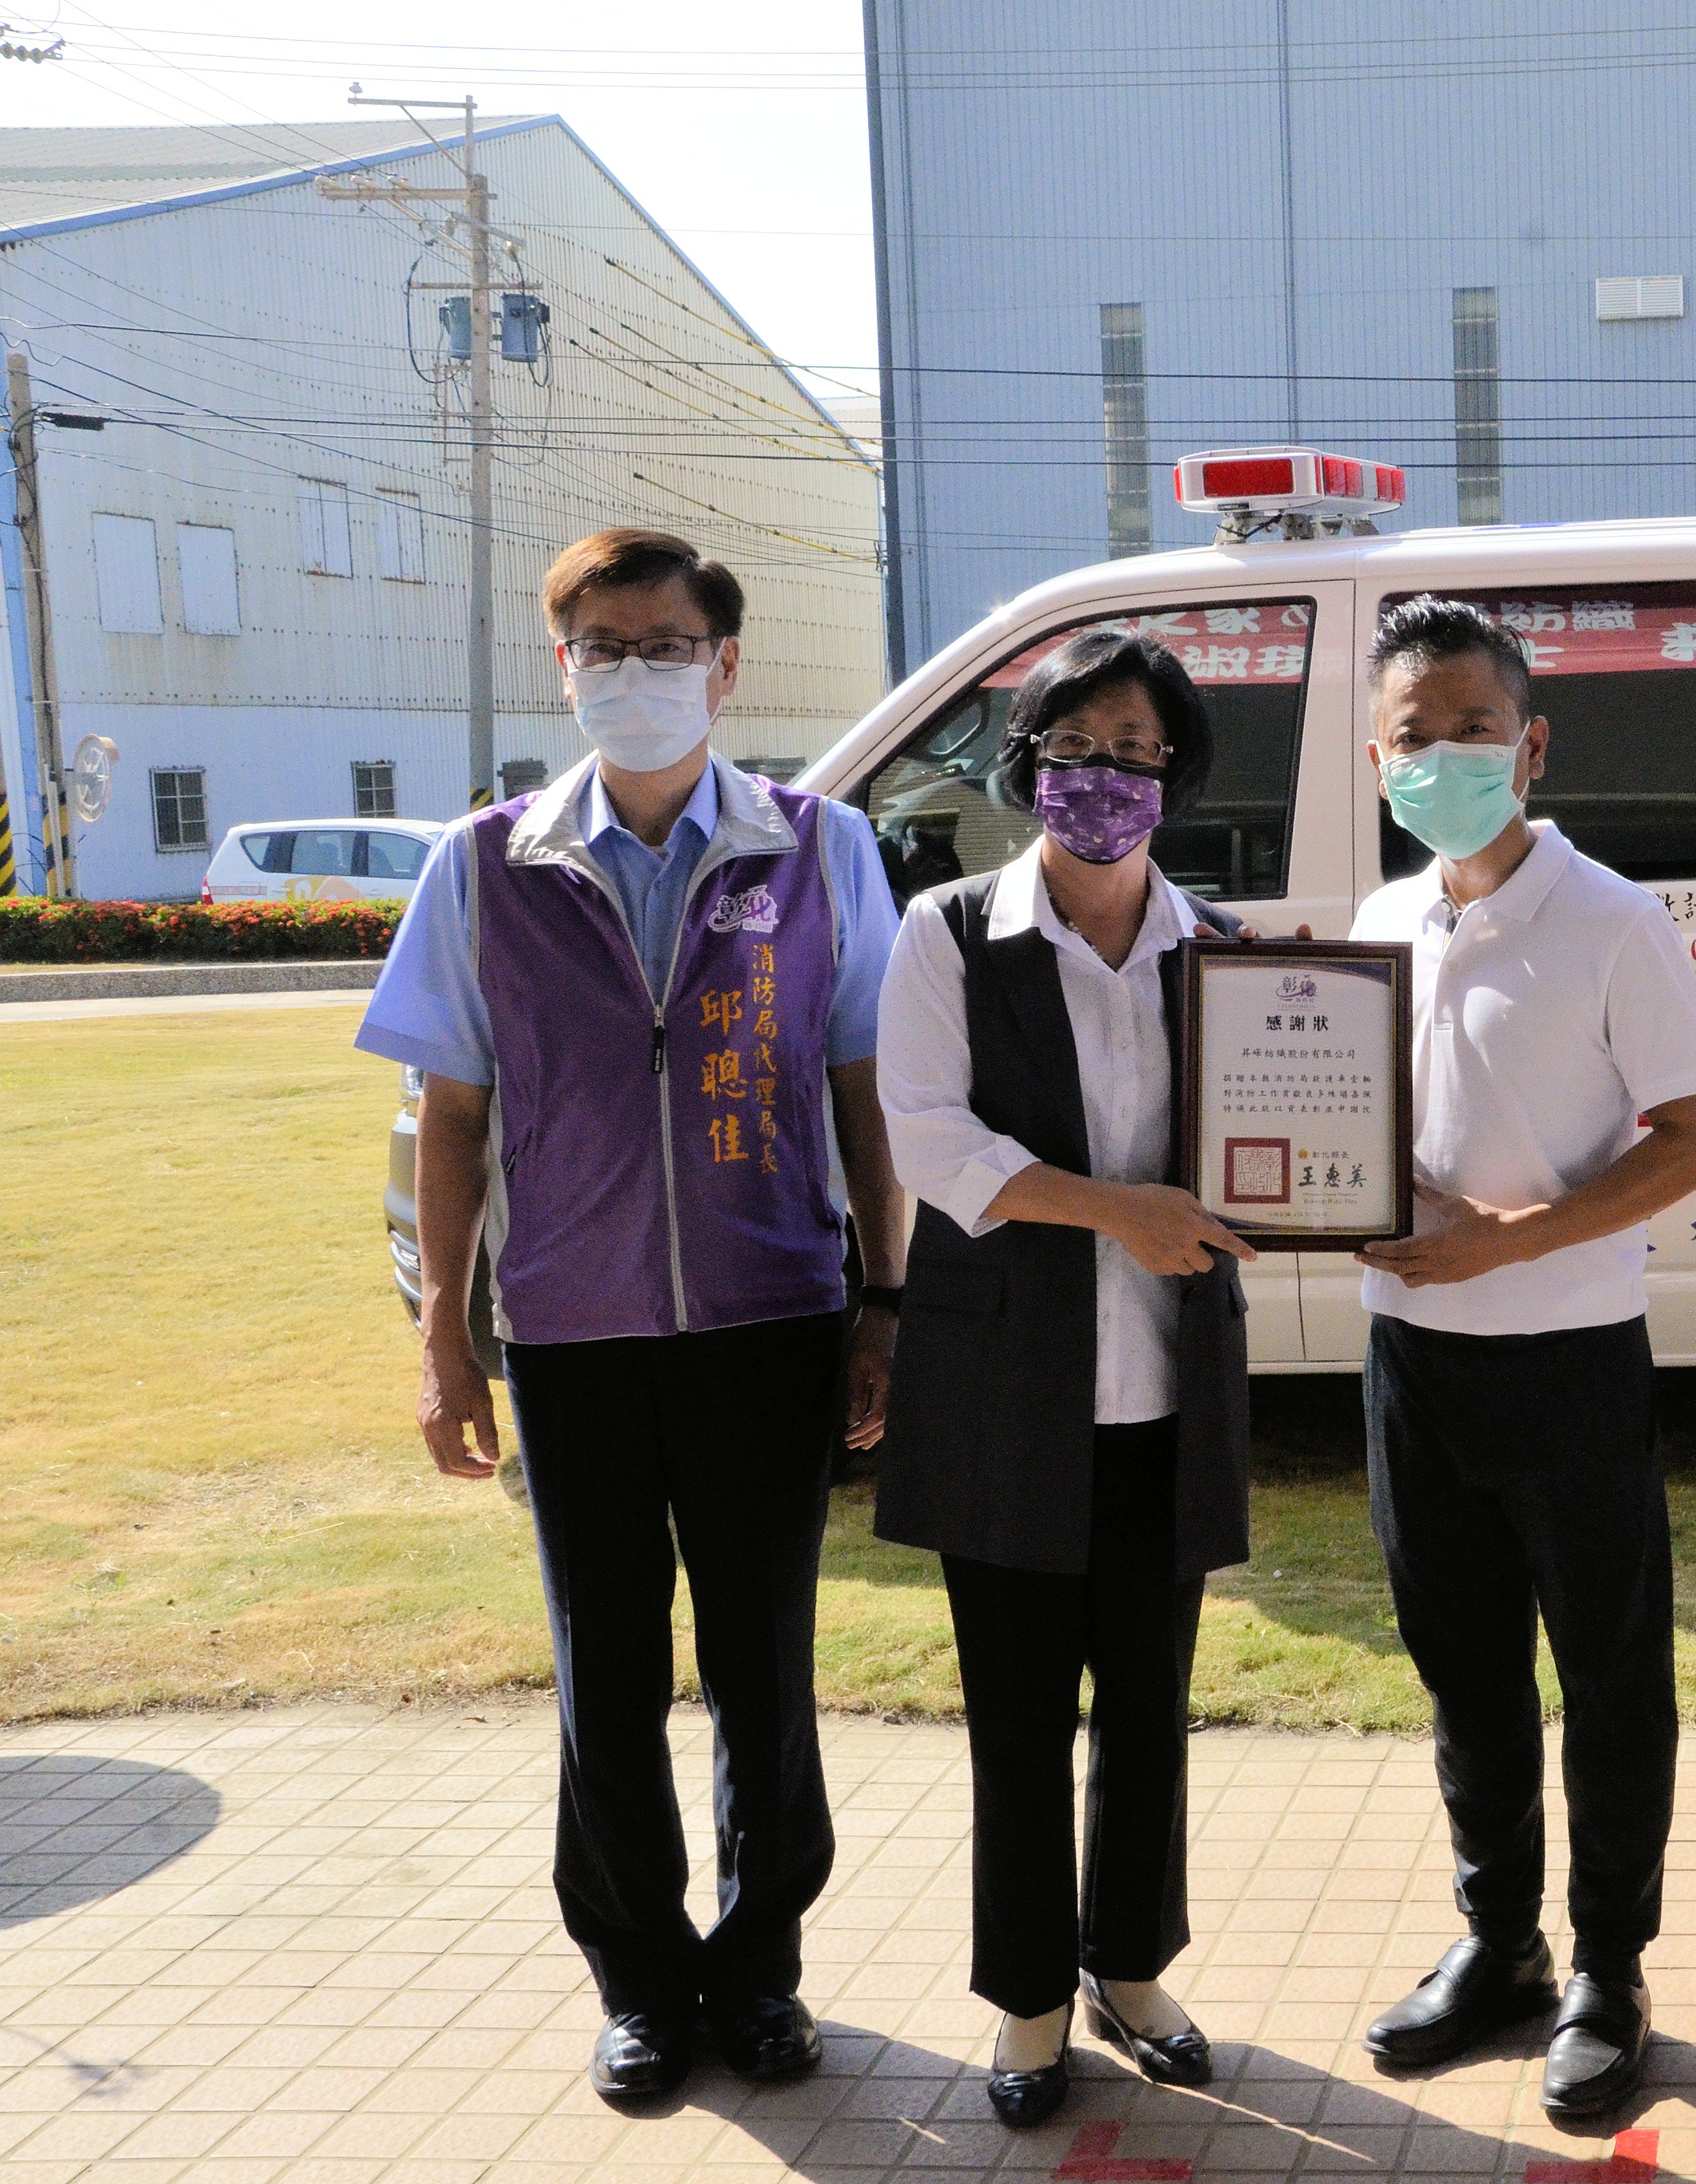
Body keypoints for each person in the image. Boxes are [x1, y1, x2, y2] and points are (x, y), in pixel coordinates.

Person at [358, 528, 904, 2104]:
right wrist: (446, 1340)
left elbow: (864, 1087)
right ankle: (641, 1985)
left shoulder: (819, 849)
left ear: (725, 668)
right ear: (565, 668)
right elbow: (451, 1116)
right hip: (571, 1336)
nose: (634, 672)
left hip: (768, 1321)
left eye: (665, 645)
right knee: (603, 1674)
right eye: (602, 646)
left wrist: (884, 1298)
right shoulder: (485, 866)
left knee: (763, 1667)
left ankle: (763, 1970)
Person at [1346, 599, 1696, 2119]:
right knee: (1464, 1672)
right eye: (1416, 736)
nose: (1445, 757)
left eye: (1475, 728)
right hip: (1411, 1359)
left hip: (1568, 1357)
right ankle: (1499, 1942)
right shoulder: (1380, 925)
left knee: (1610, 1675)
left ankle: (1609, 1970)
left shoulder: (1615, 920)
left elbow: (1694, 1139)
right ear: (1377, 756)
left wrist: (1512, 1240)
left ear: (1533, 745)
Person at [871, 631, 1260, 2126]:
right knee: (1019, 1720)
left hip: (1166, 1394)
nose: (1107, 776)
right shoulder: (951, 933)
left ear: (1176, 775)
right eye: (1078, 747)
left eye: (1139, 751)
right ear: (1029, 762)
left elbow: (1281, 1142)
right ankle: (1031, 1999)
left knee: (1151, 1711)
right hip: (1008, 1398)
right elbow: (931, 1141)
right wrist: (1120, 1212)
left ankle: (1132, 1968)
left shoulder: (1225, 953)